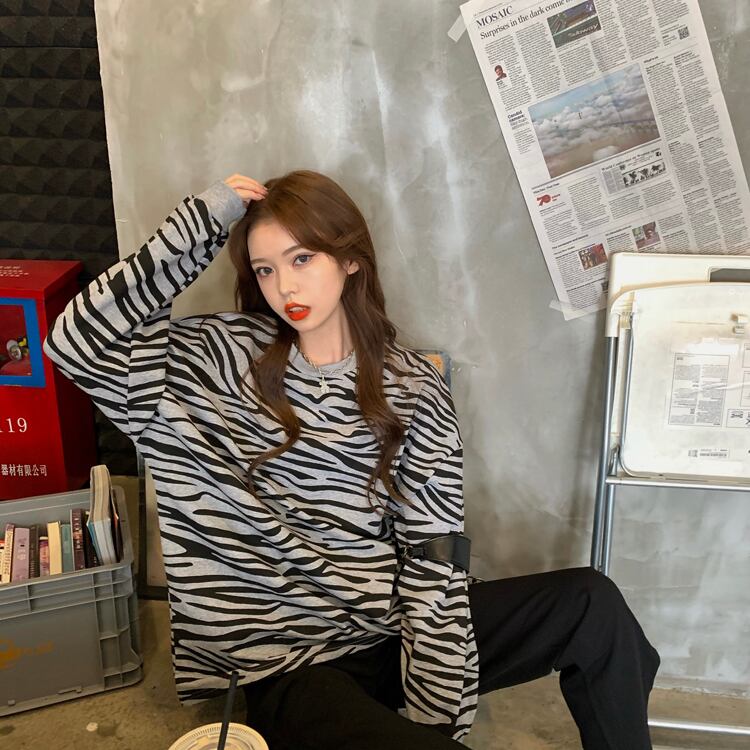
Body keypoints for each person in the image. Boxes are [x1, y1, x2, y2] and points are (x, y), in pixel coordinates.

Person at [43, 171, 660, 749]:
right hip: (287, 664)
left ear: (350, 259)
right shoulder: (210, 360)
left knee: (594, 604)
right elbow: (75, 341)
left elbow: (433, 549)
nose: (285, 287)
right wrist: (203, 221)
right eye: (264, 269)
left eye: (302, 259)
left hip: (389, 626)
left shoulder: (411, 385)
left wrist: (434, 703)